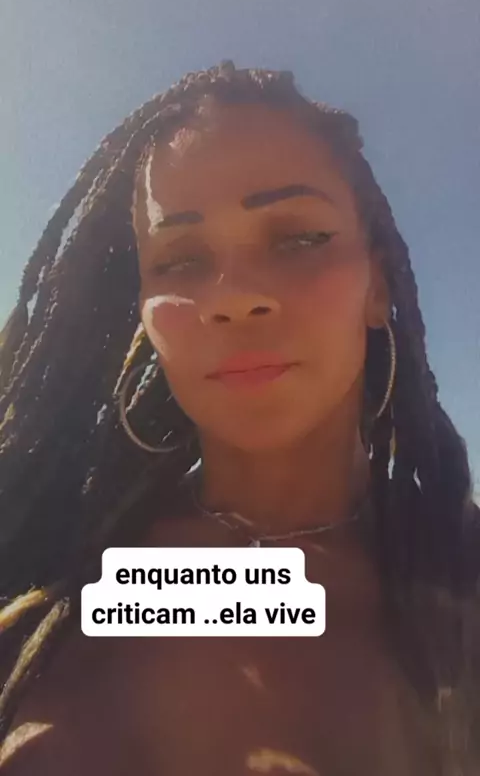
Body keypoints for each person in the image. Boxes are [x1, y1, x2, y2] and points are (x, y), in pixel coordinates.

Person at [0, 61, 478, 775]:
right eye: (180, 258)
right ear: (143, 311)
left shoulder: (458, 582)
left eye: (298, 239)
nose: (233, 297)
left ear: (378, 285)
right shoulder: (44, 565)